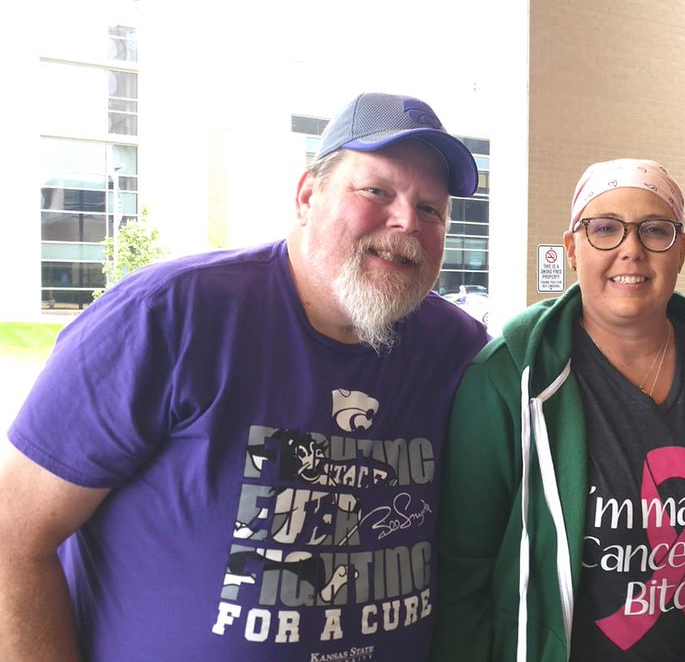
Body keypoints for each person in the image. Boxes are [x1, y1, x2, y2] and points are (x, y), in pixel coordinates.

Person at [0, 92, 490, 661]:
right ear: (308, 196)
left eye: (431, 209)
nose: (406, 220)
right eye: (376, 191)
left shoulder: (458, 351)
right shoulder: (167, 317)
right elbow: (14, 536)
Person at [433, 159, 685, 661]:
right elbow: (464, 576)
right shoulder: (507, 380)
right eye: (605, 229)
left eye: (655, 231)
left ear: (680, 250)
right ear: (572, 249)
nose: (630, 249)